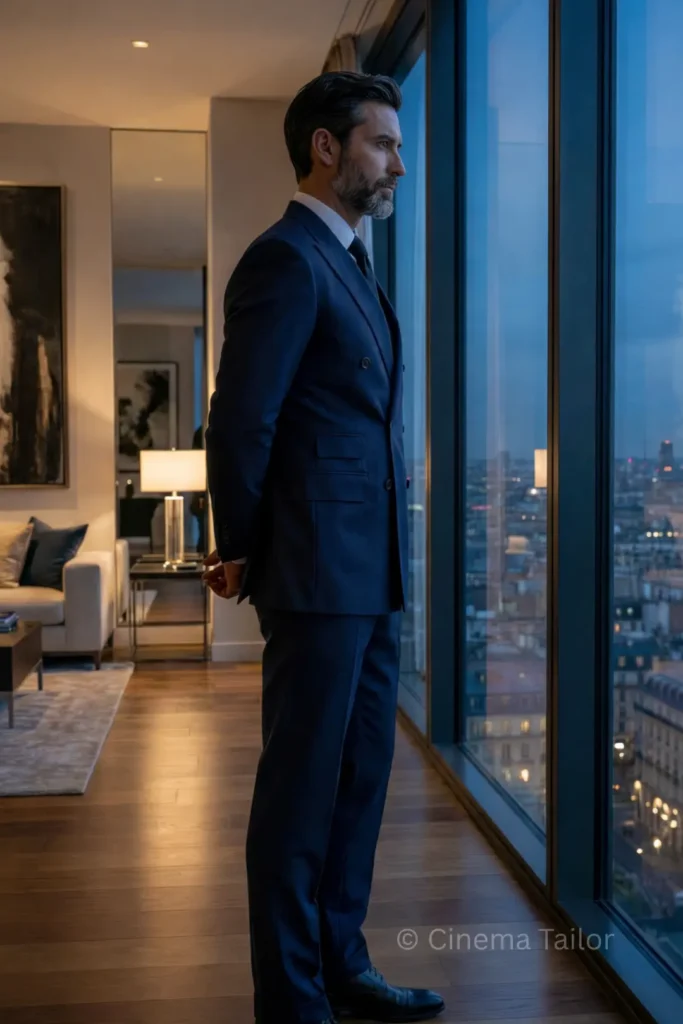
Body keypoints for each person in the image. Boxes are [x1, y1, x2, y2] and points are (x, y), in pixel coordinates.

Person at [203, 71, 445, 1024]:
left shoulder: (350, 261)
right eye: (383, 143)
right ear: (326, 149)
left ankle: (343, 965)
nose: (396, 160)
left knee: (357, 783)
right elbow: (241, 422)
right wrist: (243, 550)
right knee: (300, 794)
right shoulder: (286, 259)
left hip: (371, 567)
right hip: (312, 571)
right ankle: (292, 999)